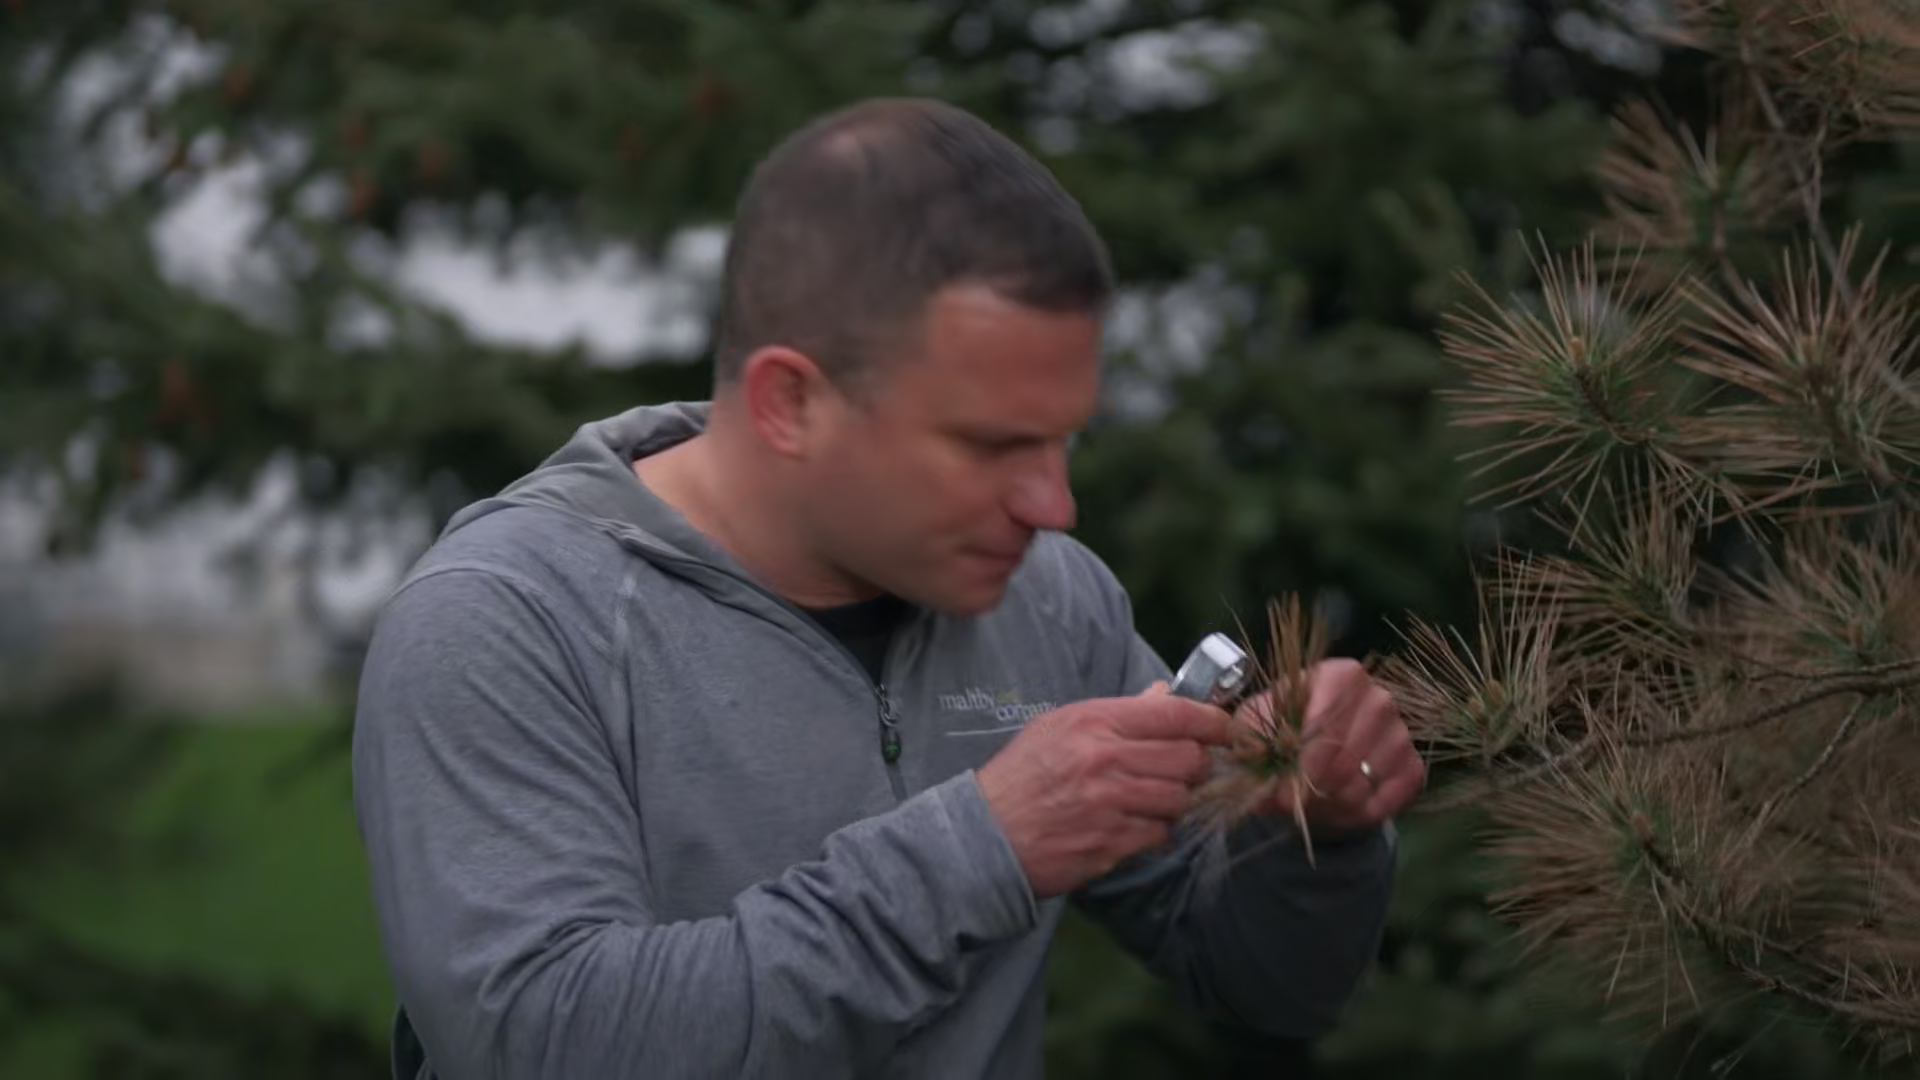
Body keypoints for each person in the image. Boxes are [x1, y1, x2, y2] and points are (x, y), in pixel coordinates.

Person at [351, 96, 1426, 1080]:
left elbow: (1270, 986)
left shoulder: (1051, 602)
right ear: (790, 404)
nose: (1055, 506)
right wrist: (981, 849)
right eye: (990, 446)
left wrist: (1319, 832)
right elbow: (543, 1045)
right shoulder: (506, 621)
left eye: (1062, 440)